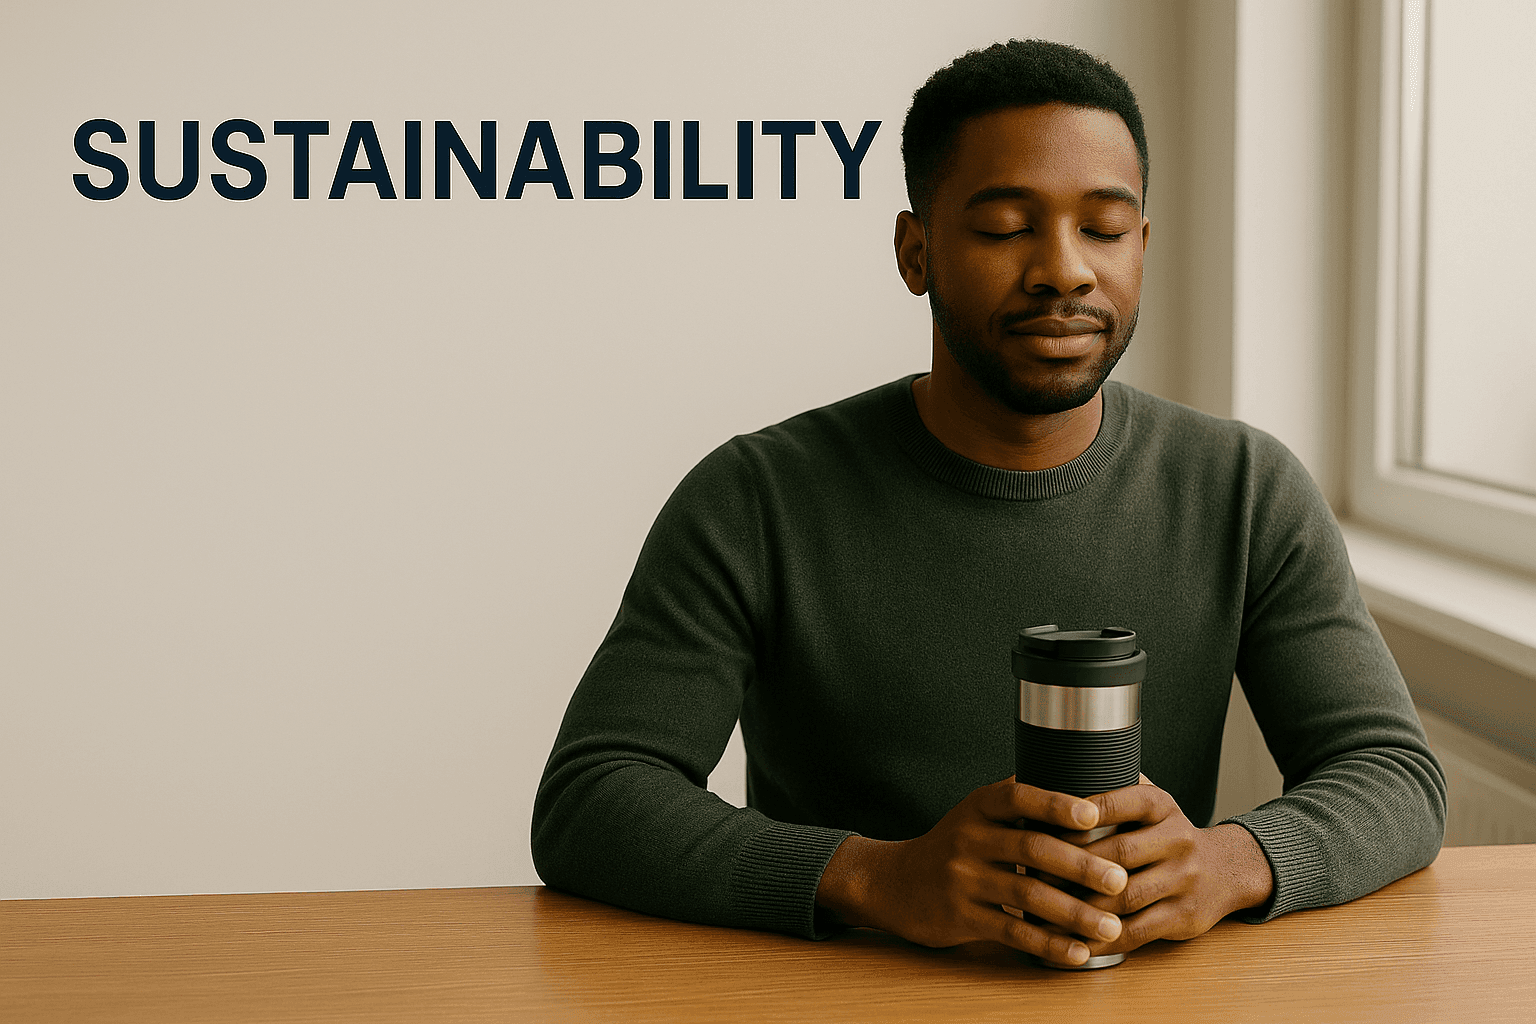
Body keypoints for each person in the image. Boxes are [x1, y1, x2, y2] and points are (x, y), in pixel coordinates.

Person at [531, 39, 1446, 968]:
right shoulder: (755, 497)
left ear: (1142, 246)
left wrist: (1230, 862)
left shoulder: (1244, 489)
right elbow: (593, 798)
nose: (1064, 270)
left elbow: (1394, 777)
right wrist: (876, 879)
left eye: (1104, 227)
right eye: (1007, 226)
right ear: (915, 250)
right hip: (844, 997)